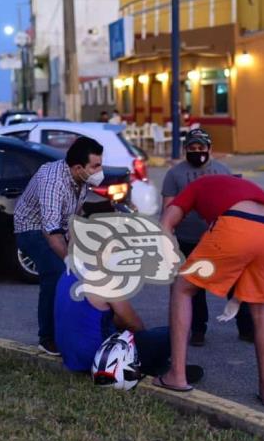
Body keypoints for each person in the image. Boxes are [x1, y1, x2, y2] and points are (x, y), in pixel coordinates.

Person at [155, 175, 264, 406]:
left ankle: (176, 375)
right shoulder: (238, 186)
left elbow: (167, 222)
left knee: (182, 289)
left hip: (236, 222)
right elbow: (247, 253)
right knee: (261, 309)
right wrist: (237, 298)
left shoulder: (193, 187)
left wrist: (171, 260)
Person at [161, 128, 254, 347]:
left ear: (209, 149)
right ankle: (198, 329)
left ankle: (247, 327)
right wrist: (168, 238)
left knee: (234, 282)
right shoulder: (174, 174)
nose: (197, 152)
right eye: (192, 148)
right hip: (187, 239)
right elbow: (168, 207)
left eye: (201, 148)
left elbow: (234, 204)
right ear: (186, 150)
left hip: (219, 240)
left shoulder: (223, 170)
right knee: (194, 287)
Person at [14, 136, 105, 356]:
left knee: (85, 269)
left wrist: (78, 250)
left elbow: (75, 216)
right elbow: (50, 231)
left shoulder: (81, 180)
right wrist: (70, 261)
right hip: (31, 228)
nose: (100, 170)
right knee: (56, 273)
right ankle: (47, 338)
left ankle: (75, 327)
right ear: (78, 167)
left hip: (57, 227)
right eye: (96, 166)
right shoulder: (52, 181)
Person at [54, 268, 203, 381]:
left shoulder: (68, 271)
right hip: (100, 361)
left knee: (139, 336)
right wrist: (144, 341)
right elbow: (133, 323)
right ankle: (161, 368)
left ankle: (159, 367)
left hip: (72, 357)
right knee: (173, 333)